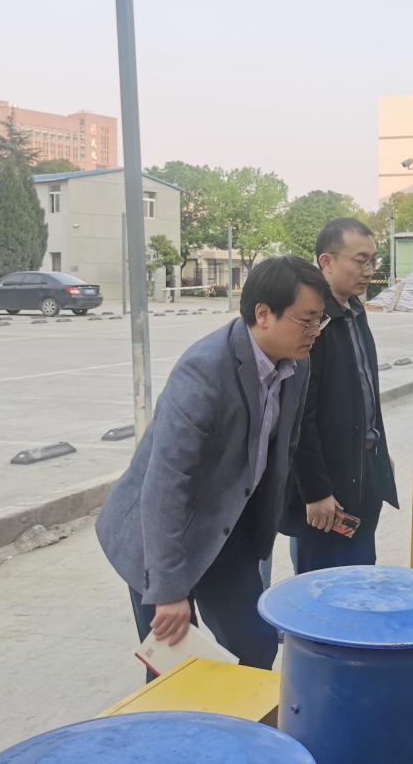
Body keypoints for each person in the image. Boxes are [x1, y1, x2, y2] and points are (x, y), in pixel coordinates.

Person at [95, 255, 327, 675]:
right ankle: (175, 718)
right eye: (306, 321)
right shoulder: (204, 371)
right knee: (172, 664)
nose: (315, 332)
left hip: (225, 527)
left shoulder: (297, 364)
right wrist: (168, 590)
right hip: (160, 532)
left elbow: (283, 450)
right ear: (263, 314)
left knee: (254, 646)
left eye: (319, 321)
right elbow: (165, 483)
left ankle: (244, 718)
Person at [282, 218, 398, 573]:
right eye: (360, 260)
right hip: (329, 489)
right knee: (322, 584)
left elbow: (366, 394)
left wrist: (380, 452)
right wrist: (315, 491)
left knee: (361, 573)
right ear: (327, 262)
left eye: (373, 261)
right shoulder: (313, 323)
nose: (369, 271)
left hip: (364, 475)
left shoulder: (355, 312)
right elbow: (299, 416)